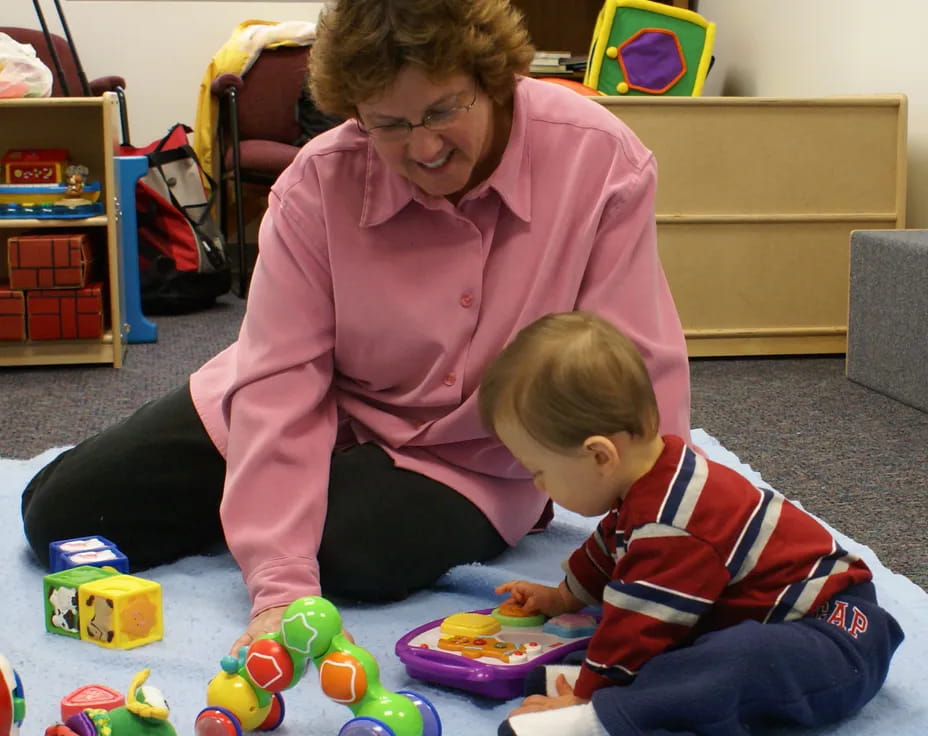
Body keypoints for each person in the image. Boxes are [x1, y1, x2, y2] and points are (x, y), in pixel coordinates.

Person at [20, 0, 691, 655]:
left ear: (491, 79)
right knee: (58, 518)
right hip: (320, 399)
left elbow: (632, 367)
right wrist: (279, 586)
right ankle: (267, 503)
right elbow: (281, 385)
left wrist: (664, 548)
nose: (423, 148)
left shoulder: (600, 160)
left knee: (348, 553)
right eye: (388, 124)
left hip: (470, 452)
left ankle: (278, 505)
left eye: (442, 110)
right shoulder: (317, 185)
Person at [477, 311, 904, 736]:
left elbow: (638, 620)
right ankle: (611, 686)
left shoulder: (673, 523)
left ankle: (604, 716)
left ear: (600, 457)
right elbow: (608, 553)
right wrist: (562, 597)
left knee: (730, 658)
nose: (537, 484)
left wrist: (588, 694)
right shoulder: (649, 487)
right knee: (672, 643)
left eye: (539, 471)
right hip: (776, 619)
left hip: (836, 638)